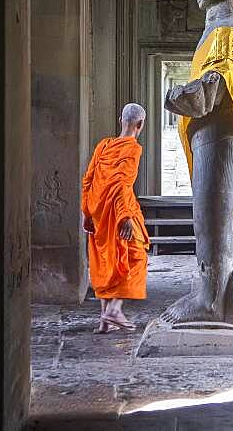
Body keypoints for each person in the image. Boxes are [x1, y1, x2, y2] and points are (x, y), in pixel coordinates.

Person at [81, 103, 151, 333]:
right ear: (140, 124)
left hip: (98, 209)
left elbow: (88, 179)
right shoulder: (133, 149)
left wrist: (86, 211)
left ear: (121, 119)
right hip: (118, 210)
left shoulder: (104, 145)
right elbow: (122, 183)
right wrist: (125, 217)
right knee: (136, 256)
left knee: (105, 260)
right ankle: (114, 309)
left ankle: (104, 322)